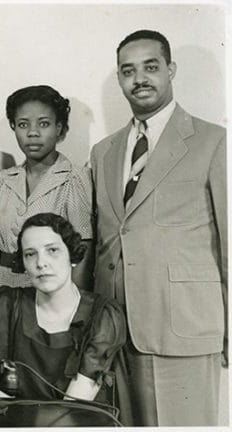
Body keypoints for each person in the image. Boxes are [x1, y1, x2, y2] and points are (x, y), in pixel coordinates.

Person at [91, 29, 226, 426]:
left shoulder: (214, 142)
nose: (140, 79)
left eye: (151, 67)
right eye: (128, 71)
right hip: (114, 333)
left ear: (171, 70)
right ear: (119, 79)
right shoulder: (104, 152)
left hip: (183, 328)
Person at [0, 85, 94, 333]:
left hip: (51, 289)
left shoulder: (74, 178)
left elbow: (83, 249)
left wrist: (73, 310)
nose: (32, 133)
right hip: (3, 287)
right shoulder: (4, 179)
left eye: (43, 124)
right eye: (23, 125)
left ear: (60, 129)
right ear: (14, 128)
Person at [0, 213, 125, 403]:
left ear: (73, 256)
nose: (41, 263)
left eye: (52, 250)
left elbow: (74, 406)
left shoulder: (103, 315)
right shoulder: (8, 305)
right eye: (30, 254)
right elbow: (0, 396)